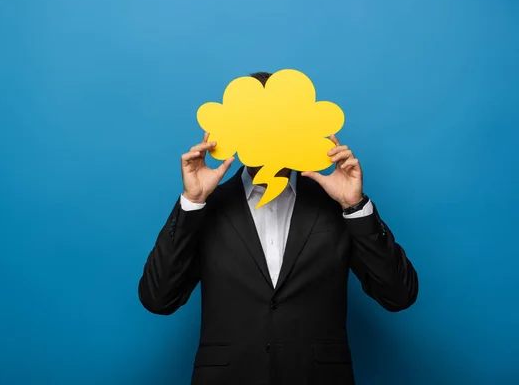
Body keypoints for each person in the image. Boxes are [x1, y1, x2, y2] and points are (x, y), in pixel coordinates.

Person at [138, 72, 418, 385]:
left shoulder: (334, 203)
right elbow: (158, 299)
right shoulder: (207, 206)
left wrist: (354, 207)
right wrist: (192, 202)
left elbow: (399, 295)